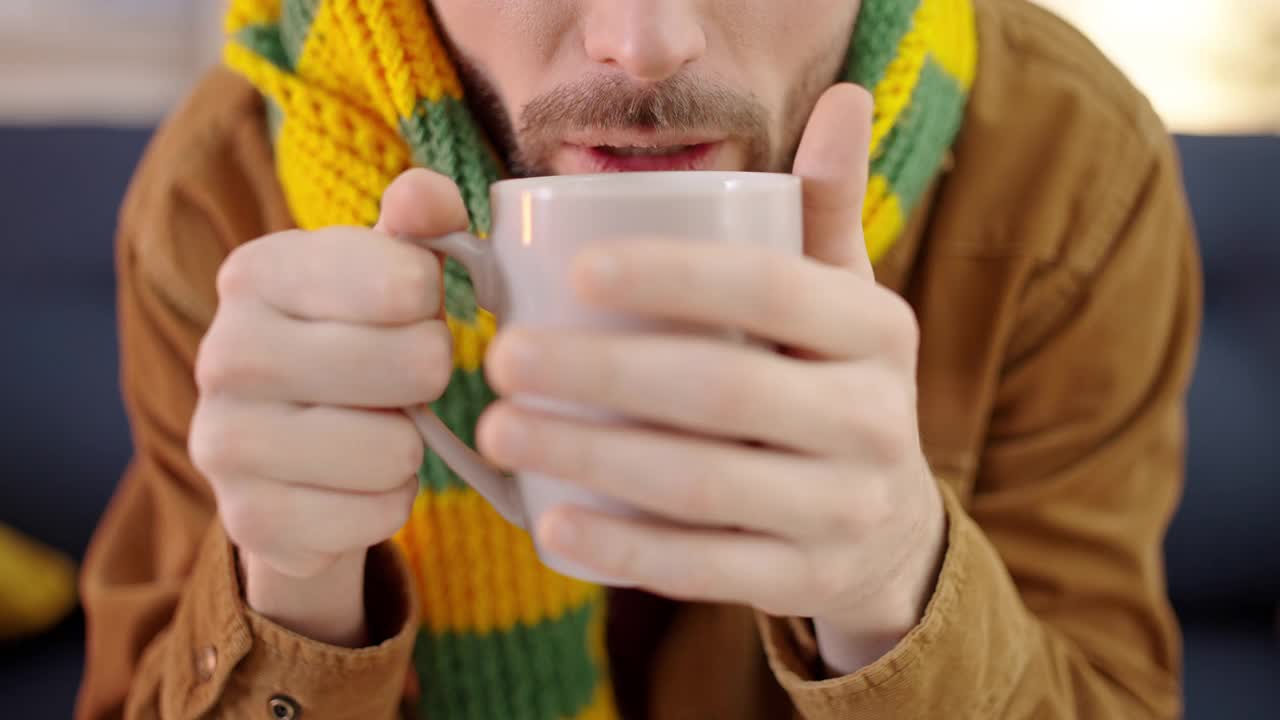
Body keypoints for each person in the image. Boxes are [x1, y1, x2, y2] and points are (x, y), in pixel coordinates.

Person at [76, 0, 1200, 717]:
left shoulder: (1065, 169)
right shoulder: (227, 192)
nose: (645, 39)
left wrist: (895, 591)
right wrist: (298, 603)